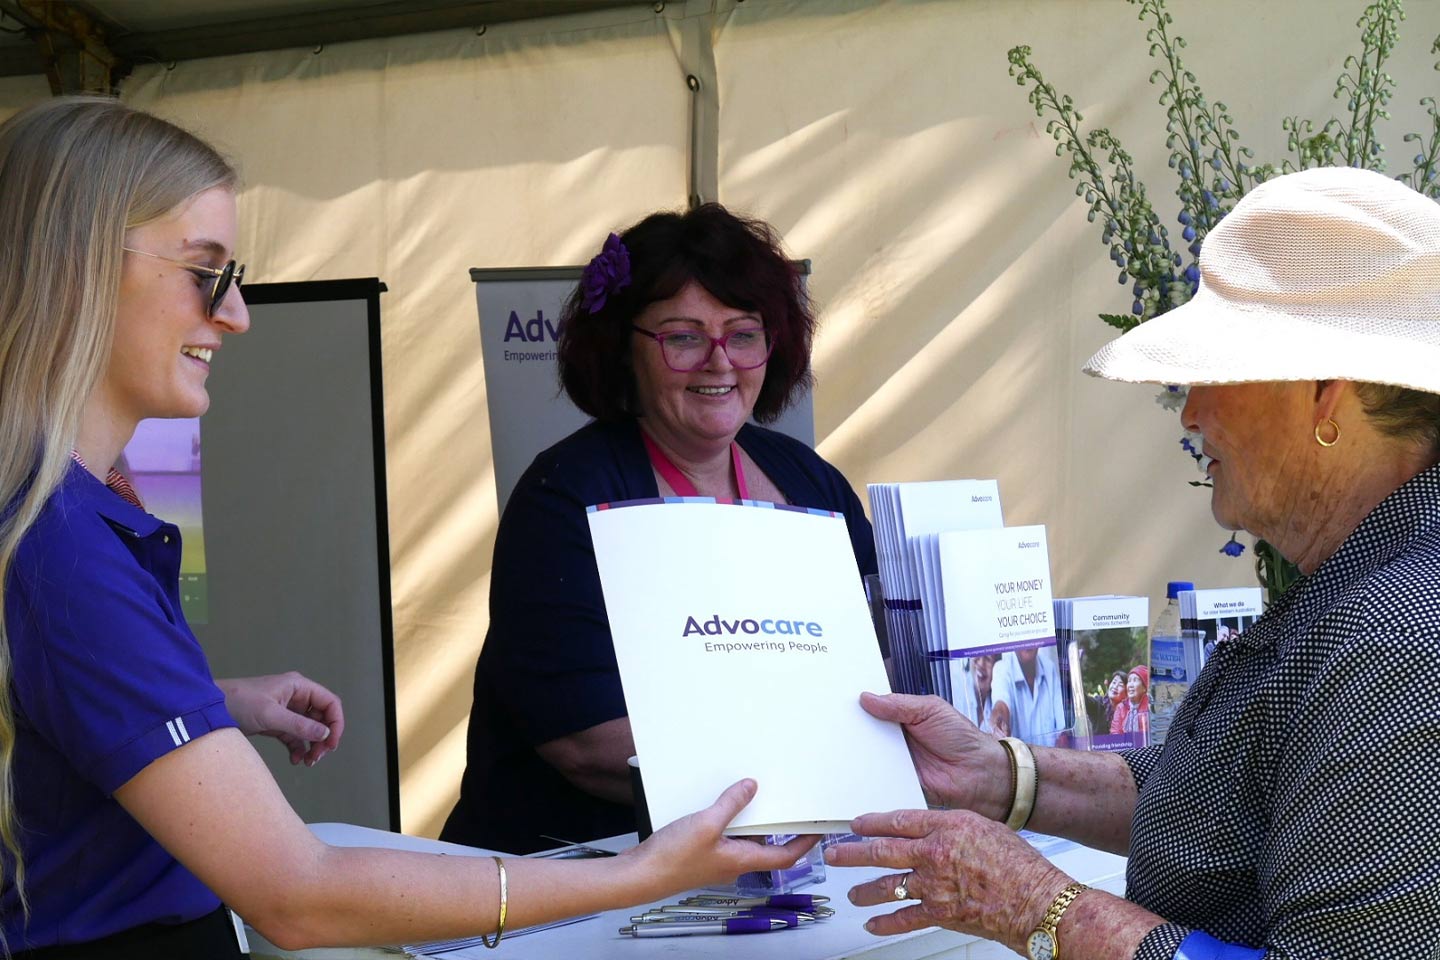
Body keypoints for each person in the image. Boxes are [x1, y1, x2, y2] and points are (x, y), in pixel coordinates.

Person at [0, 96, 812, 958]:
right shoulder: (61, 547)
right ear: (77, 267)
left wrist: (212, 703)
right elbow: (299, 893)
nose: (236, 314)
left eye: (745, 334)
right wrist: (639, 876)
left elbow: (53, 705)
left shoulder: (57, 513)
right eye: (205, 272)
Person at [825, 166, 1440, 959]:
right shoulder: (1371, 581)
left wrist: (1038, 906)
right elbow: (1225, 802)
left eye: (1215, 374)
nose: (1191, 412)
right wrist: (1002, 776)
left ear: (1326, 394)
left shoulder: (1401, 630)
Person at [443, 203, 878, 854]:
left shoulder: (811, 480)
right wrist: (799, 776)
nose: (719, 362)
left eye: (743, 334)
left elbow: (878, 668)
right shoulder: (564, 496)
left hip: (787, 860)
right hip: (572, 877)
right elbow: (585, 740)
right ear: (624, 348)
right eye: (683, 337)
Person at [1121, 665, 1148, 736]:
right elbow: (1115, 732)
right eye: (1129, 681)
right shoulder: (1121, 707)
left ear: (1144, 688)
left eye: (1135, 680)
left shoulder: (1151, 708)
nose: (1130, 685)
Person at [1104, 670, 1128, 734]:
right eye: (1114, 682)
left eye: (1120, 685)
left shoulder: (1129, 712)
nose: (1115, 687)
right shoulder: (1099, 703)